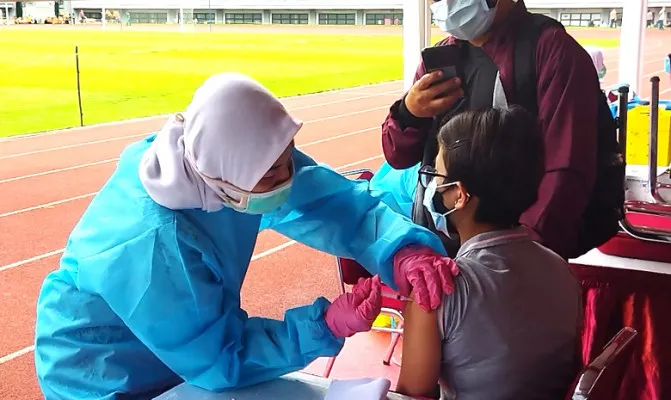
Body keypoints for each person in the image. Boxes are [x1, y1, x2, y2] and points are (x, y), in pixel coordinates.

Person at [34, 73, 459, 400]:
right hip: (103, 375)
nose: (288, 176)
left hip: (185, 354)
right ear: (226, 173)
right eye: (274, 171)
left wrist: (404, 249)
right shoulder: (152, 245)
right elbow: (221, 358)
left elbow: (330, 203)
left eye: (289, 155)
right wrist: (325, 324)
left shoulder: (226, 158)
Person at [381, 0, 606, 260]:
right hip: (441, 250)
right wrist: (409, 113)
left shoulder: (551, 51)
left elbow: (565, 170)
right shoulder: (442, 58)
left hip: (514, 258)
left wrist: (517, 257)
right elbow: (397, 155)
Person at [395, 107, 582, 400]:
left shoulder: (437, 294)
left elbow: (410, 396)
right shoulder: (562, 270)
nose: (432, 185)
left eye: (436, 173)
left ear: (458, 193)